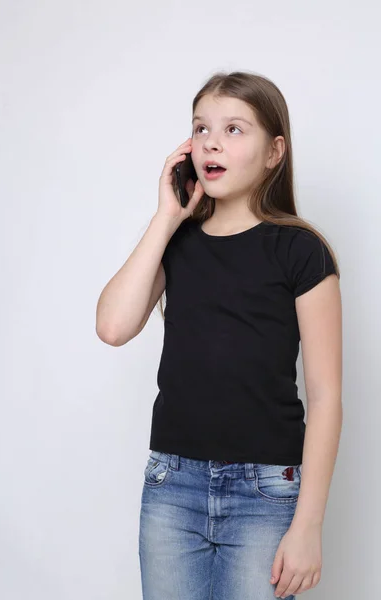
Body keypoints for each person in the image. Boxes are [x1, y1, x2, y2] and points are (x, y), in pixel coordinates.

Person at [96, 71, 342, 600]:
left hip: (265, 493)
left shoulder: (300, 250)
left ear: (274, 152)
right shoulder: (178, 242)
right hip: (171, 488)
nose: (211, 140)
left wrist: (309, 525)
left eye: (234, 129)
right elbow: (113, 327)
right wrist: (167, 216)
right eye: (201, 128)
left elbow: (325, 397)